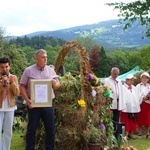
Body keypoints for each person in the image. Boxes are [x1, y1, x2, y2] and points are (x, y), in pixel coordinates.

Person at [19, 49, 60, 150]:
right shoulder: (28, 70)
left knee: (50, 129)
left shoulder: (51, 70)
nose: (45, 59)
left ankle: (49, 148)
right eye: (43, 57)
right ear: (36, 59)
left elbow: (58, 84)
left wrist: (55, 84)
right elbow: (22, 86)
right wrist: (27, 100)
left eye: (46, 57)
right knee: (31, 130)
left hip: (48, 105)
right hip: (33, 105)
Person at [0, 57, 20, 150]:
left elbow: (17, 93)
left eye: (6, 67)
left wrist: (11, 83)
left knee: (8, 132)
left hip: (10, 107)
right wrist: (2, 84)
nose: (5, 69)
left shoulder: (14, 77)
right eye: (2, 67)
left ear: (9, 67)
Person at [104, 67, 127, 137]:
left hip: (117, 103)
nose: (116, 75)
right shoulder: (107, 80)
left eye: (117, 74)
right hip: (110, 103)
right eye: (114, 74)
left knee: (116, 119)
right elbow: (106, 91)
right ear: (111, 73)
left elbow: (121, 92)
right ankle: (109, 134)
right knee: (110, 119)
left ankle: (115, 135)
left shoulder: (119, 81)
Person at [120, 74, 140, 139]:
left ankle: (130, 133)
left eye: (132, 80)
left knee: (132, 120)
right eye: (130, 80)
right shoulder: (123, 87)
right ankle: (125, 134)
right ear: (127, 80)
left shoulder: (134, 88)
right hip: (125, 107)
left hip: (133, 107)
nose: (132, 81)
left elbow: (137, 97)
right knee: (125, 121)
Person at [136, 72, 150, 138]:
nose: (144, 79)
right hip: (141, 104)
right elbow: (136, 95)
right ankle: (139, 133)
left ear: (148, 79)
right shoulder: (138, 86)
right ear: (141, 78)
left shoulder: (149, 86)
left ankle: (147, 133)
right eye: (143, 77)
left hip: (148, 104)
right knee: (140, 119)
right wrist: (143, 97)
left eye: (146, 77)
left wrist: (148, 97)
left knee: (148, 119)